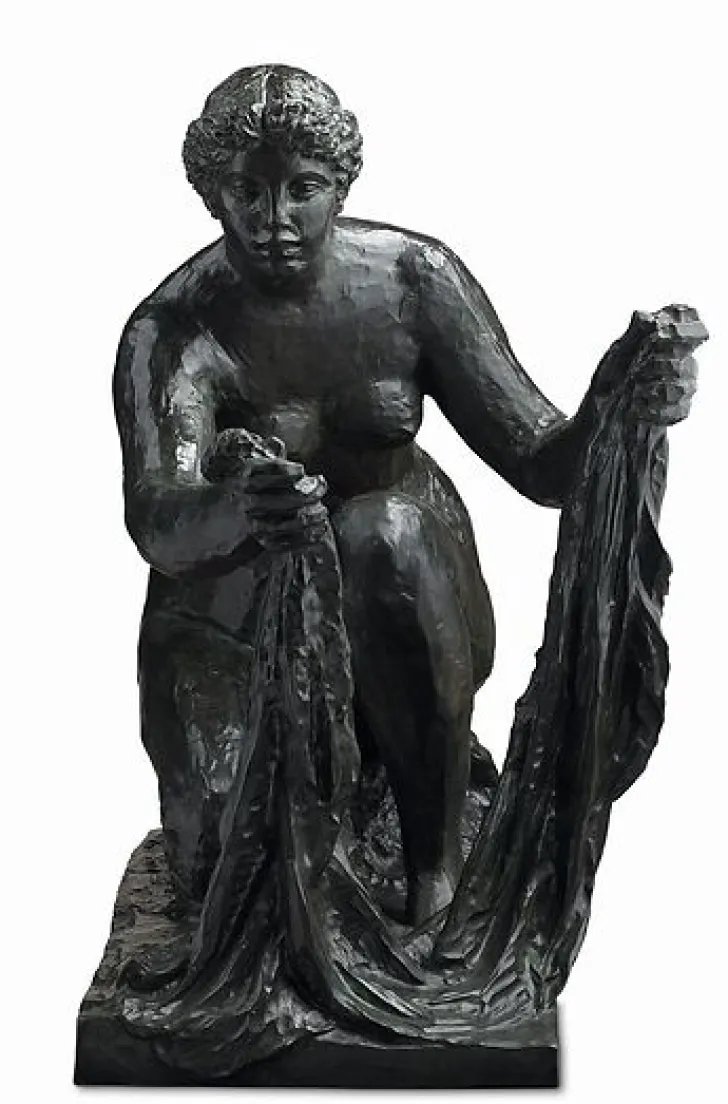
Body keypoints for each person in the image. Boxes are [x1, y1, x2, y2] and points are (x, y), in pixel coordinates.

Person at [113, 64, 697, 926]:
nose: (275, 220)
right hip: (236, 616)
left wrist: (621, 405)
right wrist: (243, 513)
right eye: (248, 192)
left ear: (341, 184)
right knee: (228, 883)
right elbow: (160, 519)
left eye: (303, 189)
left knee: (383, 530)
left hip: (405, 592)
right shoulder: (172, 332)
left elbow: (541, 463)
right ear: (212, 194)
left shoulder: (413, 281)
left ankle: (436, 859)